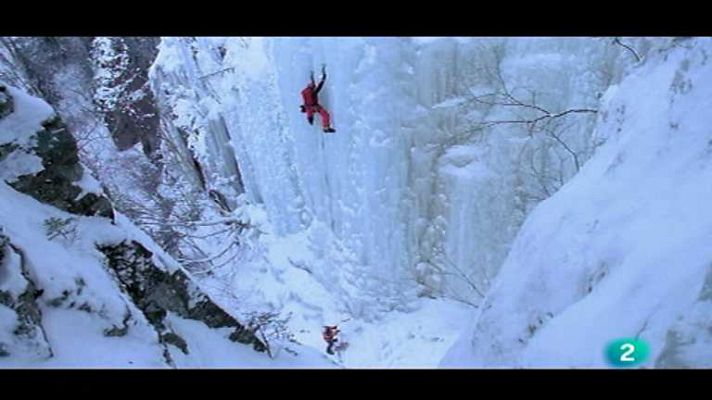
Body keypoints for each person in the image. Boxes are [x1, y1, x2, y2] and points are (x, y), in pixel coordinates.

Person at [300, 65, 336, 133]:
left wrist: (310, 118)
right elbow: (319, 87)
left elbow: (308, 110)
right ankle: (326, 128)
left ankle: (325, 127)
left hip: (312, 106)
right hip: (315, 106)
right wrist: (323, 79)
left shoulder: (306, 92)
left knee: (323, 114)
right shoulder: (311, 92)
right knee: (325, 114)